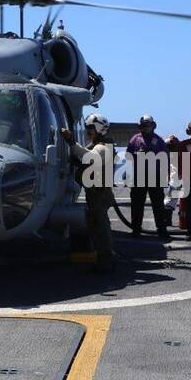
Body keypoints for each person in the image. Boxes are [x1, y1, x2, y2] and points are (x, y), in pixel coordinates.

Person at [64, 112, 117, 273]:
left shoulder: (101, 147)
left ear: (99, 128)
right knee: (95, 226)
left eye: (90, 128)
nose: (88, 131)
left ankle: (106, 259)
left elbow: (90, 157)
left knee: (101, 228)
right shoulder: (96, 145)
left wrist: (72, 142)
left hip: (100, 194)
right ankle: (103, 256)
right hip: (95, 194)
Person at [126, 113, 171, 241]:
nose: (147, 128)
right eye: (144, 126)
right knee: (136, 205)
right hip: (138, 177)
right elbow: (128, 158)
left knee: (158, 206)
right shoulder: (134, 140)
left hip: (155, 178)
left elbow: (165, 158)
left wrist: (165, 175)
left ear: (153, 126)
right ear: (141, 127)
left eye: (149, 125)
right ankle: (136, 229)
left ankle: (161, 230)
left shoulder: (159, 140)